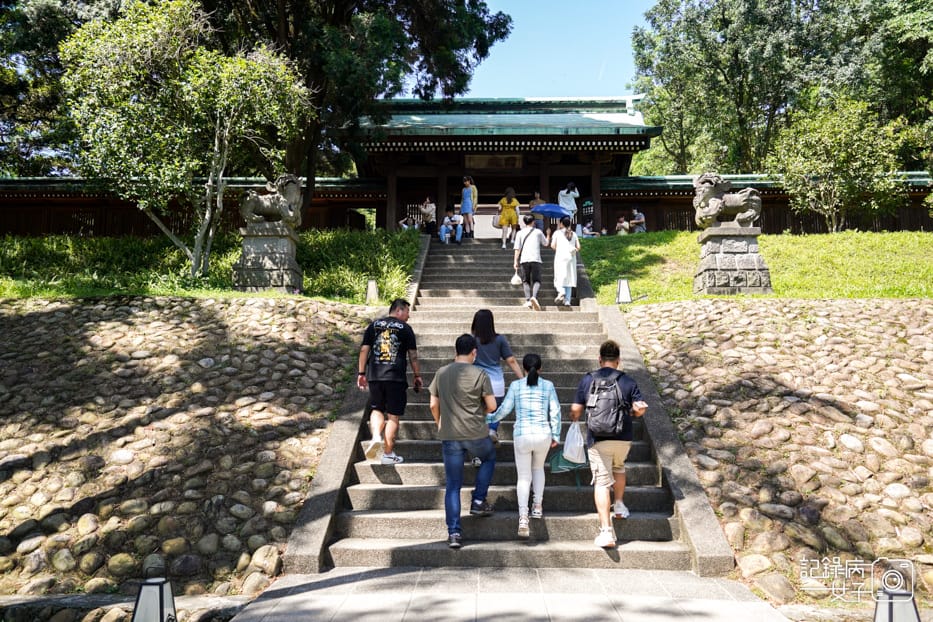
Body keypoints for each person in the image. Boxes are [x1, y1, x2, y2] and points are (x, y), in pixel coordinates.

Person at [569, 340, 648, 549]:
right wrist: (637, 412)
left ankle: (606, 532)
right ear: (618, 360)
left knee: (602, 482)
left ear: (599, 359)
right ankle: (619, 505)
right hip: (623, 436)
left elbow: (576, 409)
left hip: (598, 438)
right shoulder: (628, 381)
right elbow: (639, 409)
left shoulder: (588, 379)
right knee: (618, 467)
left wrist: (575, 418)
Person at [429, 334, 498, 549]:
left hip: (450, 435)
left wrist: (439, 422)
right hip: (476, 433)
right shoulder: (480, 374)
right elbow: (492, 406)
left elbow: (433, 404)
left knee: (453, 485)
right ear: (474, 352)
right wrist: (480, 413)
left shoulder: (441, 373)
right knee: (488, 457)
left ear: (455, 351)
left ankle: (454, 533)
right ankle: (478, 500)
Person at [486, 353, 561, 538]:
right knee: (538, 469)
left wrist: (489, 418)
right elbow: (555, 411)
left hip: (522, 435)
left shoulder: (516, 386)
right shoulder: (548, 385)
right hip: (543, 434)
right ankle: (537, 506)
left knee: (524, 477)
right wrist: (556, 434)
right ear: (540, 368)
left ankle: (523, 518)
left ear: (524, 368)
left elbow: (504, 409)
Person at [357, 298, 423, 465]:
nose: (408, 316)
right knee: (393, 416)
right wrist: (417, 375)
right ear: (399, 310)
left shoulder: (373, 325)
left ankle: (376, 436)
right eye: (407, 311)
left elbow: (364, 350)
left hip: (375, 376)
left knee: (377, 409)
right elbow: (413, 356)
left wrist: (361, 372)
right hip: (395, 377)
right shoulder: (406, 328)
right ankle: (387, 454)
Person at [471, 309, 523, 446]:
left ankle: (478, 436)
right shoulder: (499, 339)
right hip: (496, 382)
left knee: (478, 410)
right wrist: (523, 379)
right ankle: (492, 429)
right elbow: (511, 360)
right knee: (496, 408)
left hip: (476, 381)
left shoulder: (471, 340)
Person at [513, 214, 549, 311]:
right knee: (537, 280)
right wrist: (548, 234)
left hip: (524, 259)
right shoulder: (538, 232)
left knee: (526, 281)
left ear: (524, 222)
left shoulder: (520, 233)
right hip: (536, 259)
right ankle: (534, 297)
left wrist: (515, 261)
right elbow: (546, 243)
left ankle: (528, 300)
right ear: (533, 222)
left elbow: (517, 248)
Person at [551, 216, 580, 306]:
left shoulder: (557, 233)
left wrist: (559, 249)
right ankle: (567, 300)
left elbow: (553, 246)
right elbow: (578, 247)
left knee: (559, 276)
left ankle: (561, 291)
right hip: (571, 257)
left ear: (561, 224)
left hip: (560, 257)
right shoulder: (573, 234)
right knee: (569, 278)